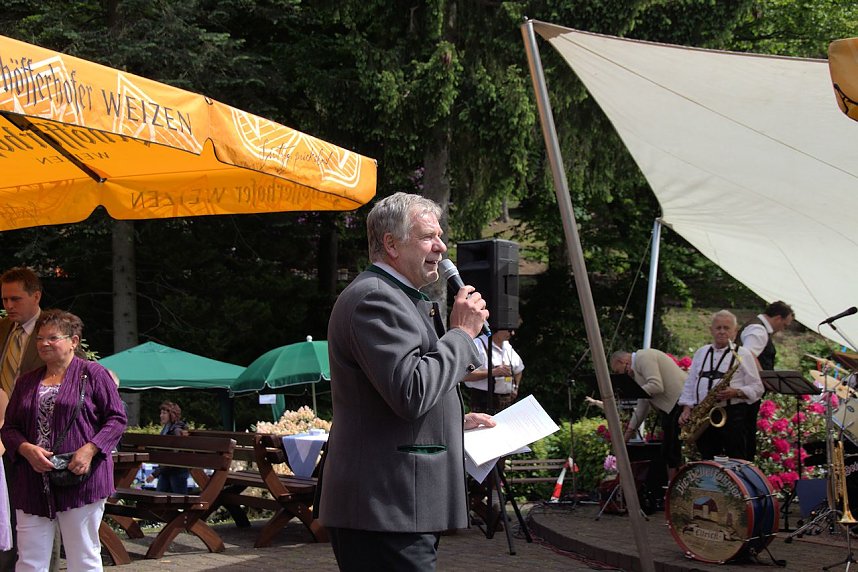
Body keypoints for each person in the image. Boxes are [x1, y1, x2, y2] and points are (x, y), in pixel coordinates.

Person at [317, 192, 495, 571]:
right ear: (391, 244)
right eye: (428, 236)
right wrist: (462, 334)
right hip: (384, 508)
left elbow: (386, 396)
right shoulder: (375, 299)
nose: (442, 247)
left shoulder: (400, 297)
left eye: (440, 235)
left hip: (396, 508)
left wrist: (453, 423)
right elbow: (411, 392)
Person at [0, 309, 127, 572]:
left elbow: (116, 419)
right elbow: (9, 428)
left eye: (53, 337)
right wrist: (25, 449)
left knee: (83, 557)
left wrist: (90, 450)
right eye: (40, 338)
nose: (44, 343)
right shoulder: (27, 381)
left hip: (80, 478)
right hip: (32, 480)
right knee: (29, 559)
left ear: (74, 341)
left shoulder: (93, 374)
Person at [0, 267, 46, 571]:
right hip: (3, 435)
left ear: (36, 296)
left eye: (15, 298)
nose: (8, 305)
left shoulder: (54, 330)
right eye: (4, 299)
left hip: (37, 437)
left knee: (39, 520)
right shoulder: (3, 329)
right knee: (3, 517)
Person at [678, 310, 764, 461]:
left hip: (732, 414)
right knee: (707, 457)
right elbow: (691, 383)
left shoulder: (743, 354)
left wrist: (736, 392)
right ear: (711, 330)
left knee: (736, 457)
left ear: (735, 332)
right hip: (704, 415)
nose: (722, 332)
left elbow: (758, 388)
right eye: (718, 328)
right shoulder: (701, 352)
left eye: (726, 328)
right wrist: (687, 408)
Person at [609, 349, 685, 480]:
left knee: (672, 451)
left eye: (618, 371)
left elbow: (656, 385)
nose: (621, 375)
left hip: (680, 403)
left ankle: (674, 489)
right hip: (672, 406)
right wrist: (628, 433)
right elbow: (643, 404)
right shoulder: (638, 368)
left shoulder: (643, 357)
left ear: (622, 362)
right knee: (668, 451)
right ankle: (671, 488)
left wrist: (631, 392)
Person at [737, 300, 794, 461]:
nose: (782, 329)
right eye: (784, 325)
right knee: (745, 437)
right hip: (746, 392)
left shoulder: (758, 328)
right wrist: (764, 378)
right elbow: (747, 354)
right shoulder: (758, 329)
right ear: (777, 318)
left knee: (746, 435)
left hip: (748, 391)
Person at [463, 329, 524, 413]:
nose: (512, 333)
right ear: (497, 328)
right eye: (509, 330)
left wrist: (515, 387)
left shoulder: (506, 345)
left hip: (506, 401)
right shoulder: (477, 344)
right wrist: (493, 372)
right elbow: (464, 375)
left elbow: (519, 369)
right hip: (483, 401)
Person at [145, 401, 190, 494]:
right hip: (166, 471)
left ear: (172, 414)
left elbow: (174, 457)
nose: (161, 415)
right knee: (159, 498)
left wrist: (155, 474)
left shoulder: (176, 430)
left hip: (177, 472)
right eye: (161, 413)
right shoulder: (167, 428)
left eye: (164, 413)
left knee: (179, 501)